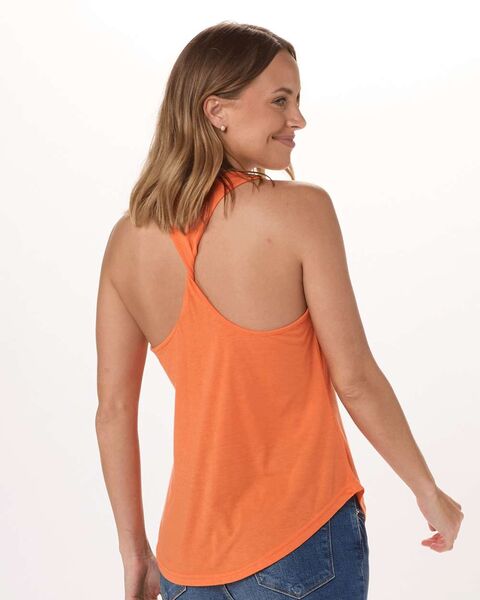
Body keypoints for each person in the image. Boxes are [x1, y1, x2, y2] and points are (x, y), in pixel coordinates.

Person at [95, 21, 464, 600]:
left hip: (186, 565)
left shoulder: (127, 241)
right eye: (280, 101)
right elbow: (355, 378)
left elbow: (114, 413)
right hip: (301, 540)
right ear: (216, 110)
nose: (298, 119)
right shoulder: (302, 211)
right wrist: (426, 490)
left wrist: (136, 553)